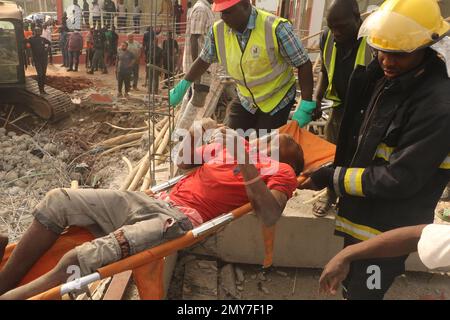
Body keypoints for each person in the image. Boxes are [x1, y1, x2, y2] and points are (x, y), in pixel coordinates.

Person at [0, 124, 304, 300]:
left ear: (283, 158)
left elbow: (269, 214)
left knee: (78, 259)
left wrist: (246, 158)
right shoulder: (232, 152)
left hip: (177, 220)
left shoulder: (281, 172)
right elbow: (182, 162)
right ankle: (5, 281)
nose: (260, 144)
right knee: (58, 201)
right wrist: (197, 132)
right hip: (152, 200)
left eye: (270, 145)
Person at [299, 0, 450, 300]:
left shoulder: (438, 105)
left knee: (365, 294)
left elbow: (400, 178)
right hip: (363, 218)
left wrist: (333, 177)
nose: (386, 60)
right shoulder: (388, 78)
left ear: (425, 46)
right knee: (351, 289)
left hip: (389, 232)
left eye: (397, 54)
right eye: (381, 50)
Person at [170, 0, 315, 132]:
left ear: (245, 5)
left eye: (228, 12)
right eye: (221, 12)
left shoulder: (276, 28)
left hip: (276, 98)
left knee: (264, 147)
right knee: (229, 139)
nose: (223, 18)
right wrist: (184, 84)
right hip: (247, 98)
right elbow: (203, 60)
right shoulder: (218, 31)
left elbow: (303, 63)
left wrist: (306, 104)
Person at [311, 0, 373, 218]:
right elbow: (326, 71)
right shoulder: (327, 37)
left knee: (359, 157)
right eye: (332, 26)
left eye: (342, 27)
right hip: (339, 108)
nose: (336, 32)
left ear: (357, 18)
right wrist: (317, 98)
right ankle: (331, 193)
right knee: (333, 152)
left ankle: (351, 199)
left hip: (366, 111)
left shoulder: (373, 40)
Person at [319, 223, 450, 296]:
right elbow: (419, 235)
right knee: (353, 285)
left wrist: (333, 179)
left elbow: (392, 181)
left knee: (368, 290)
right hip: (371, 243)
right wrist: (346, 254)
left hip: (384, 253)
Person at [179, 0, 215, 131]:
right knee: (198, 98)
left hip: (201, 64)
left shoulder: (206, 8)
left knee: (190, 96)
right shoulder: (201, 9)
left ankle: (179, 132)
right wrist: (197, 67)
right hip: (200, 65)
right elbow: (194, 38)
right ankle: (181, 133)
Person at [25, 27, 52, 95]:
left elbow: (50, 43)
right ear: (34, 32)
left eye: (39, 31)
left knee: (43, 75)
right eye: (37, 31)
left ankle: (42, 90)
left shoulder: (43, 39)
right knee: (40, 74)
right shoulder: (31, 39)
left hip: (44, 59)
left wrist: (47, 50)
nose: (38, 32)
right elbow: (24, 41)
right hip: (37, 59)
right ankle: (41, 90)